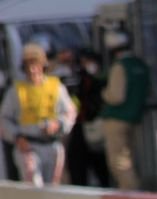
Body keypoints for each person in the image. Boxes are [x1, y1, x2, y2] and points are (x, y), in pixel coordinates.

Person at [0, 44, 76, 187]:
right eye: (28, 65)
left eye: (35, 64)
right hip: (28, 146)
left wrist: (59, 124)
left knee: (53, 187)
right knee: (34, 185)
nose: (32, 69)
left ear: (42, 65)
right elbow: (4, 119)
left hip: (51, 144)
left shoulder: (56, 87)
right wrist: (16, 136)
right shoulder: (16, 91)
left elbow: (69, 113)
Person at [100, 33, 150, 190]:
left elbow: (116, 96)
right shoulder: (140, 65)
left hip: (117, 118)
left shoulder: (120, 66)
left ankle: (130, 192)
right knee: (129, 158)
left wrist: (103, 93)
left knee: (119, 160)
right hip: (134, 116)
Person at [67, 49, 110, 187]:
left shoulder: (103, 78)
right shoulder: (78, 79)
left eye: (89, 61)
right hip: (80, 126)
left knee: (101, 165)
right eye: (83, 62)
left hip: (99, 126)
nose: (86, 65)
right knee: (77, 164)